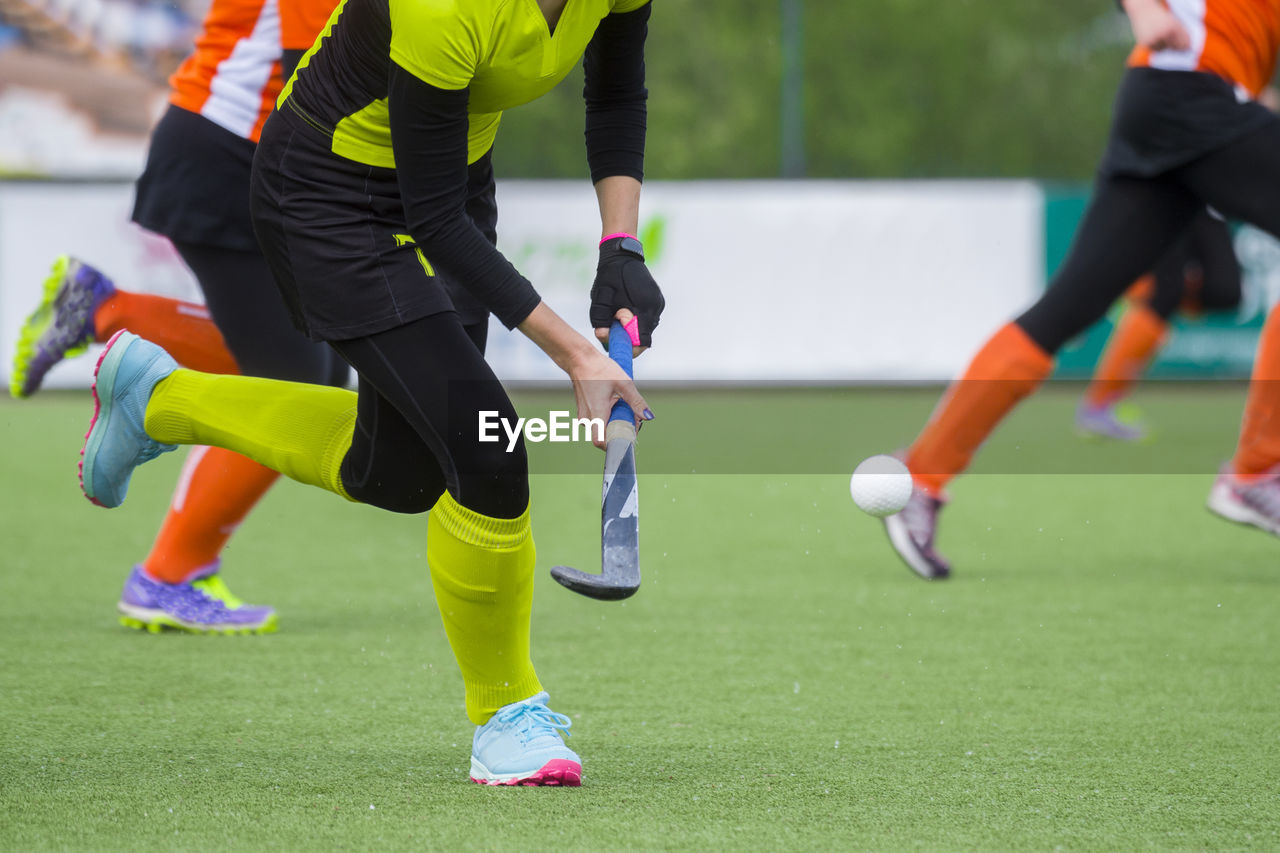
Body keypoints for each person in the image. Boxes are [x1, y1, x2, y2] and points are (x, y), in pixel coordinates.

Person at [74, 0, 664, 787]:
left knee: (401, 473)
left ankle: (160, 399)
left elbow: (617, 92)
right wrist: (576, 354)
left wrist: (619, 247)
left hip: (451, 183)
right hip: (327, 195)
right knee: (488, 444)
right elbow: (431, 218)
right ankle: (506, 715)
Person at [884, 0, 1280, 579]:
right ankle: (1257, 472)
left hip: (1172, 101)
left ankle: (922, 474)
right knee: (1069, 309)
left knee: (1067, 309)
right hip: (1187, 91)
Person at [11, 0, 346, 633]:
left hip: (241, 151)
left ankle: (106, 310)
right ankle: (166, 576)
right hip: (234, 157)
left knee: (307, 379)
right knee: (293, 393)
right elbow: (318, 75)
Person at [1076, 209, 1242, 441]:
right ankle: (1100, 405)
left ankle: (1139, 294)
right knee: (1166, 291)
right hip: (1175, 191)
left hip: (1210, 203)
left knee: (1226, 291)